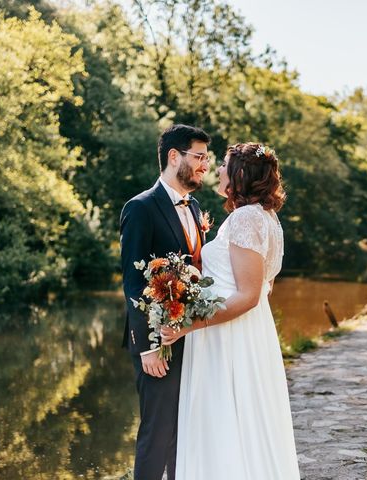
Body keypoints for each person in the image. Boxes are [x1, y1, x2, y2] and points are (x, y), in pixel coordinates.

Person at [161, 142, 301, 479]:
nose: (218, 170)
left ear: (239, 174)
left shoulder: (245, 219)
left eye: (223, 165)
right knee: (240, 419)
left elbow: (249, 295)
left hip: (228, 336)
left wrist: (188, 325)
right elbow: (264, 287)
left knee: (224, 417)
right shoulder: (265, 217)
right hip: (244, 330)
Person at [120, 124, 211, 480]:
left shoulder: (196, 206)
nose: (205, 165)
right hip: (158, 343)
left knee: (185, 433)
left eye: (206, 158)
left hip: (191, 335)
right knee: (156, 434)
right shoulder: (140, 207)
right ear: (175, 157)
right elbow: (133, 281)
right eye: (199, 156)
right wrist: (147, 346)